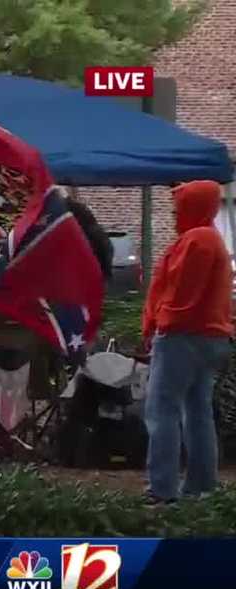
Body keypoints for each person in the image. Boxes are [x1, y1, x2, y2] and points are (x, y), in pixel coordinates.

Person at [142, 180, 233, 505]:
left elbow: (180, 292)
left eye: (177, 208)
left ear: (193, 206)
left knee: (161, 410)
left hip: (183, 336)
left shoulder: (196, 240)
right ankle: (201, 486)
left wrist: (161, 325)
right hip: (211, 337)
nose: (173, 214)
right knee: (197, 411)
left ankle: (162, 489)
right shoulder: (211, 238)